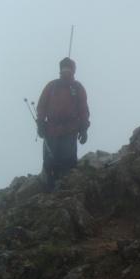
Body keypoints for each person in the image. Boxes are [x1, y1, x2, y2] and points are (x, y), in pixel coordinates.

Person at [36, 57, 90, 191]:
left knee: (68, 162)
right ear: (60, 70)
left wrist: (84, 129)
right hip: (51, 130)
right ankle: (49, 190)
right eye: (64, 69)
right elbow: (41, 106)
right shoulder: (52, 86)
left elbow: (84, 109)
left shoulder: (77, 88)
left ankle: (66, 189)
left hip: (70, 131)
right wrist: (41, 123)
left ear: (73, 71)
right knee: (49, 163)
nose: (66, 71)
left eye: (68, 69)